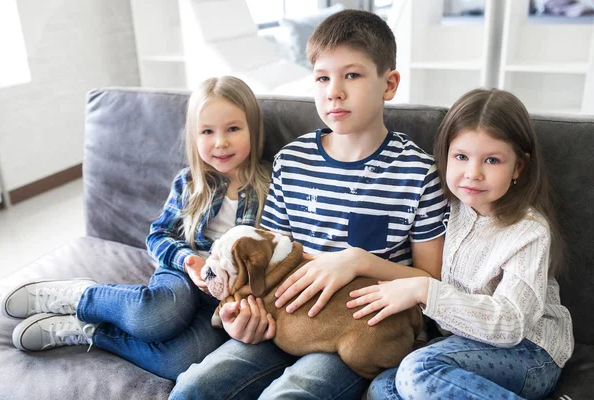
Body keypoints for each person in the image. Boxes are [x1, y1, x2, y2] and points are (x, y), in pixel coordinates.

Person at [169, 9, 448, 399]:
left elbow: (432, 286)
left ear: (389, 84)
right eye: (322, 77)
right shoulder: (291, 160)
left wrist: (357, 261)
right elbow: (266, 259)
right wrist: (241, 319)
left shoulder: (418, 172)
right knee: (192, 389)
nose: (334, 90)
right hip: (279, 321)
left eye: (352, 75)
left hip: (351, 331)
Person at [1, 76, 272, 380]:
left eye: (233, 129)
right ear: (194, 139)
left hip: (224, 296)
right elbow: (157, 236)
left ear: (254, 129)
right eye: (207, 131)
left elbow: (269, 256)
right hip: (182, 271)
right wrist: (187, 260)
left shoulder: (271, 186)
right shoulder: (191, 183)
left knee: (181, 361)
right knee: (158, 316)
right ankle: (80, 296)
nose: (220, 142)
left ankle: (90, 331)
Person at [350, 88, 574, 400]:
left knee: (418, 372)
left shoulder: (529, 231)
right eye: (461, 157)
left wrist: (422, 289)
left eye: (492, 160)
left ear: (518, 168)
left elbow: (511, 324)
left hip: (531, 352)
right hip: (462, 345)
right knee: (383, 388)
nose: (473, 173)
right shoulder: (446, 206)